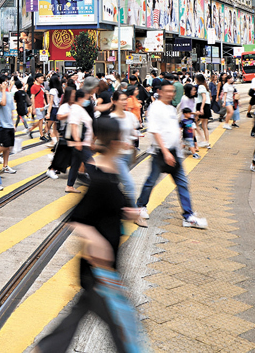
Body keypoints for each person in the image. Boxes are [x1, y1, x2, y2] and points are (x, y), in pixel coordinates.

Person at [35, 117, 144, 353]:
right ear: (115, 142)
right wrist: (96, 239)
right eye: (123, 138)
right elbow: (75, 218)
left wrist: (127, 211)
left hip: (101, 268)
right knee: (122, 326)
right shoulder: (101, 179)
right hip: (98, 269)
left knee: (79, 314)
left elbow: (107, 208)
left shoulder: (108, 172)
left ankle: (46, 349)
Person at [135, 81, 208, 229]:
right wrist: (166, 151)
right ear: (160, 92)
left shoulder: (170, 108)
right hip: (161, 153)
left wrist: (178, 150)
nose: (170, 93)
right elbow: (155, 131)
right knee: (151, 181)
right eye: (167, 91)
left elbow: (174, 130)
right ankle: (140, 206)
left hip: (174, 152)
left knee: (182, 183)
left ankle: (188, 216)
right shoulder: (155, 107)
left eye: (172, 91)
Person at [110, 91, 144, 226]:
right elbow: (106, 139)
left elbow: (132, 132)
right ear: (114, 101)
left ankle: (113, 208)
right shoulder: (111, 118)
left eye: (126, 99)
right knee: (129, 184)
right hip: (116, 156)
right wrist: (119, 143)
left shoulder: (130, 116)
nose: (125, 102)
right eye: (122, 100)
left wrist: (136, 135)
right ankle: (135, 215)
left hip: (129, 155)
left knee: (114, 184)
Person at [65, 89, 94, 194]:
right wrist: (77, 141)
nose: (88, 100)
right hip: (79, 143)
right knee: (91, 164)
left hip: (82, 142)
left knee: (75, 164)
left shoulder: (80, 108)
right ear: (80, 98)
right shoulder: (76, 109)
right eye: (87, 98)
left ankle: (69, 186)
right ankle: (99, 185)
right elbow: (73, 124)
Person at [0, 76, 17, 174]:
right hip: (1, 125)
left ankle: (5, 165)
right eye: (4, 82)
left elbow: (11, 110)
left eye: (7, 82)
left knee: (9, 147)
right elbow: (3, 103)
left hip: (9, 124)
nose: (6, 84)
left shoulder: (9, 94)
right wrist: (3, 91)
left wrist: (13, 123)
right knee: (5, 146)